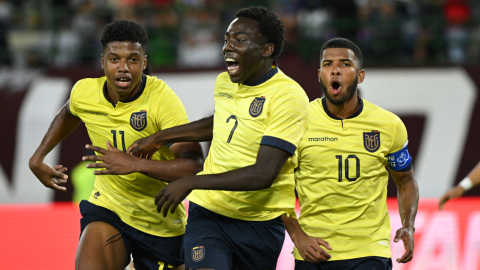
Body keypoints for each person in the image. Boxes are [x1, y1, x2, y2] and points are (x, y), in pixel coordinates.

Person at [127, 6, 310, 270]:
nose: (228, 47)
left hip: (260, 222)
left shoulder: (288, 96)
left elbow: (264, 173)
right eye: (227, 39)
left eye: (240, 40)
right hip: (209, 213)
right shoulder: (225, 82)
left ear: (267, 50)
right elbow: (220, 122)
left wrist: (192, 181)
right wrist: (161, 137)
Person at [28, 19, 204, 270]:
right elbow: (69, 112)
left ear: (144, 62)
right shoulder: (85, 92)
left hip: (159, 220)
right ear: (102, 61)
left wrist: (133, 164)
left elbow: (193, 166)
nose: (123, 68)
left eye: (133, 59)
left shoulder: (162, 100)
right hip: (109, 207)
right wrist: (38, 157)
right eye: (114, 59)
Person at [281, 37, 419, 270]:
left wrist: (408, 225)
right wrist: (297, 235)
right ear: (319, 74)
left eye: (345, 64)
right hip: (314, 251)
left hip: (369, 250)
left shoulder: (388, 124)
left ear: (360, 75)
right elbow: (277, 186)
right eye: (327, 64)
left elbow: (406, 181)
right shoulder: (299, 120)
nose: (335, 70)